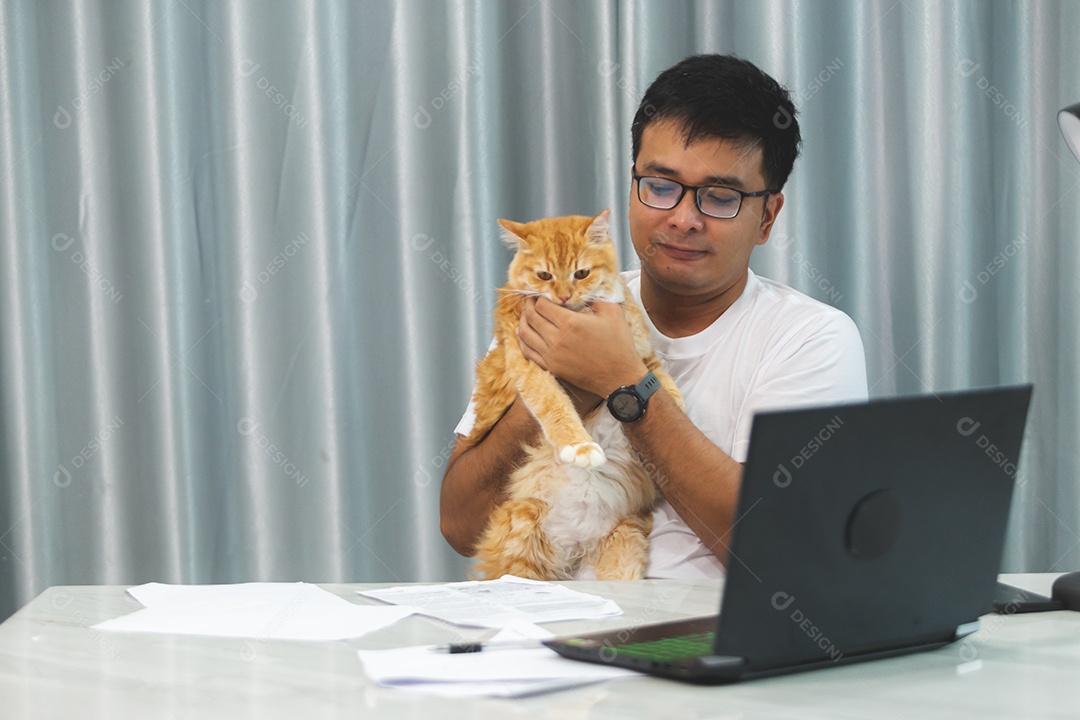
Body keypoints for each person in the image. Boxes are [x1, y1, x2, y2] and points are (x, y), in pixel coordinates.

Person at [440, 54, 867, 578]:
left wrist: (625, 385)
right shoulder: (555, 309)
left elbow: (779, 552)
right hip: (547, 636)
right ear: (632, 186)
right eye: (660, 187)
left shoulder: (810, 339)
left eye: (720, 197)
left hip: (700, 644)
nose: (684, 219)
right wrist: (559, 389)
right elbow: (460, 526)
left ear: (767, 217)